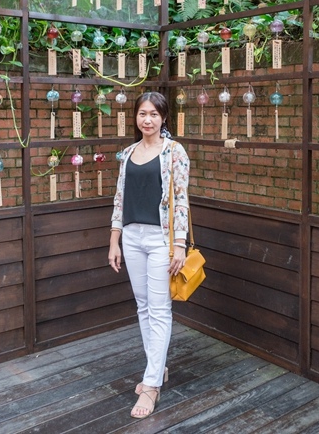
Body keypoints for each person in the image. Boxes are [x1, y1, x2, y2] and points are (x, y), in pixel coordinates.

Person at [108, 91, 190, 419]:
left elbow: (181, 198)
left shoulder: (174, 152)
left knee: (159, 309)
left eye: (154, 114)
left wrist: (180, 244)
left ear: (164, 118)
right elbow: (119, 198)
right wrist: (114, 240)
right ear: (136, 117)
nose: (147, 120)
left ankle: (152, 383)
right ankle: (156, 368)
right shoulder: (128, 153)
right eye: (142, 113)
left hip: (161, 239)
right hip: (131, 236)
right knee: (143, 306)